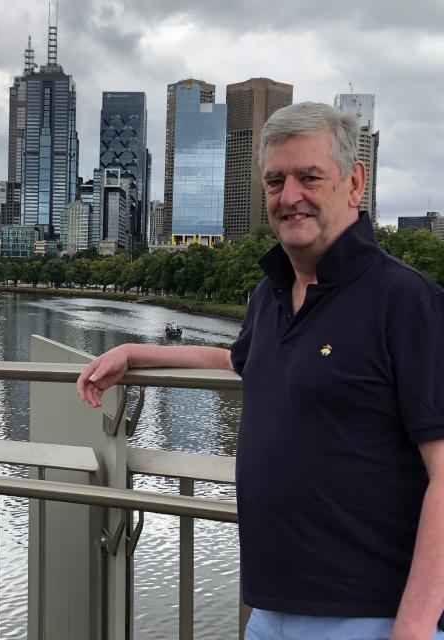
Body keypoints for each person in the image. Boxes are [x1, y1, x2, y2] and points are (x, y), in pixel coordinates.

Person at [77, 102, 444, 639]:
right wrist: (136, 353)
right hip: (269, 611)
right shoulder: (270, 295)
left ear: (354, 182)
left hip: (370, 616)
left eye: (309, 177)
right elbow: (238, 360)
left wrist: (412, 628)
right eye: (276, 180)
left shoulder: (407, 302)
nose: (290, 195)